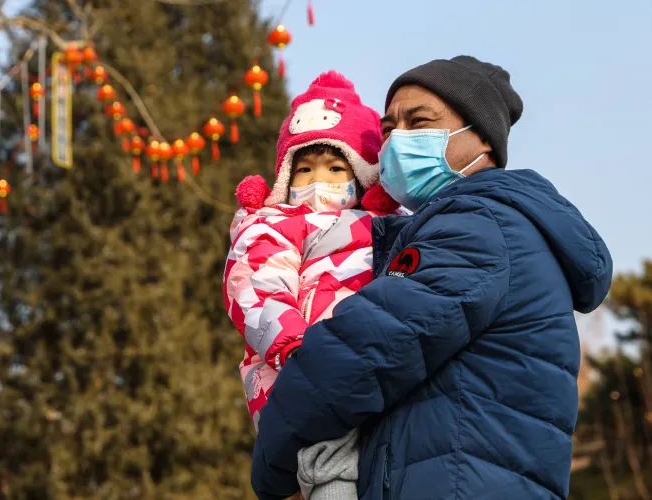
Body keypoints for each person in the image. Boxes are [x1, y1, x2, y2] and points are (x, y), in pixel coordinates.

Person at [249, 56, 613, 500]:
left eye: (419, 122)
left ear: (481, 138)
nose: (397, 140)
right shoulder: (473, 227)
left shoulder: (479, 226)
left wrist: (272, 459)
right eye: (387, 130)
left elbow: (365, 349)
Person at [224, 70, 399, 499]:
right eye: (304, 169)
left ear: (362, 176)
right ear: (285, 177)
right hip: (299, 371)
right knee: (331, 469)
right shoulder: (272, 224)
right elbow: (255, 285)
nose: (319, 181)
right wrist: (296, 347)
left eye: (336, 167)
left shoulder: (389, 228)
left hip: (370, 375)